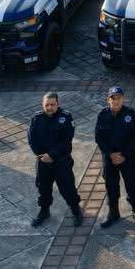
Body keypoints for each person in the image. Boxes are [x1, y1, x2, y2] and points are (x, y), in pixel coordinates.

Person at [27, 92, 83, 228]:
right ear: (43, 105)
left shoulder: (66, 117)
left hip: (61, 161)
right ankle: (44, 211)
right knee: (43, 188)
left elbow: (66, 142)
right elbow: (32, 139)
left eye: (52, 104)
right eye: (47, 105)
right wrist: (42, 155)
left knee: (67, 188)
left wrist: (51, 155)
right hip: (42, 161)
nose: (50, 107)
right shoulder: (36, 118)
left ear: (57, 104)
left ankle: (76, 211)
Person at [95, 86, 135, 229]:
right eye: (113, 98)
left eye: (118, 98)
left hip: (127, 157)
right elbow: (99, 138)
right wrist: (111, 154)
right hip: (109, 158)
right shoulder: (102, 115)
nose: (116, 101)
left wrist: (123, 155)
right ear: (108, 100)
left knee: (132, 186)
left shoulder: (130, 113)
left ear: (123, 99)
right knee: (111, 187)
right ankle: (113, 213)